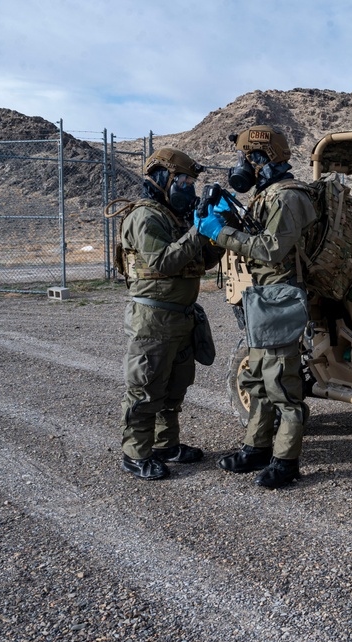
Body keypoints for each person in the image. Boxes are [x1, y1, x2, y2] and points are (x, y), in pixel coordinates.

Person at [195, 125, 319, 489]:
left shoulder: (286, 197)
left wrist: (221, 232)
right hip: (263, 295)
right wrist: (226, 218)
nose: (243, 167)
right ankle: (256, 448)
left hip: (281, 296)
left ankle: (286, 461)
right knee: (258, 378)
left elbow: (270, 249)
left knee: (282, 382)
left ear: (265, 159)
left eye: (249, 158)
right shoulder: (268, 196)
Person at [118, 148, 225, 480]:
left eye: (191, 182)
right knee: (146, 387)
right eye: (183, 180)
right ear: (163, 178)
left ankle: (166, 445)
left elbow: (204, 261)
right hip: (153, 320)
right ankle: (135, 453)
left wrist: (216, 231)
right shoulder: (145, 217)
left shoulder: (175, 217)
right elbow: (163, 262)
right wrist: (198, 231)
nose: (188, 188)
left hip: (181, 316)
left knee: (174, 388)